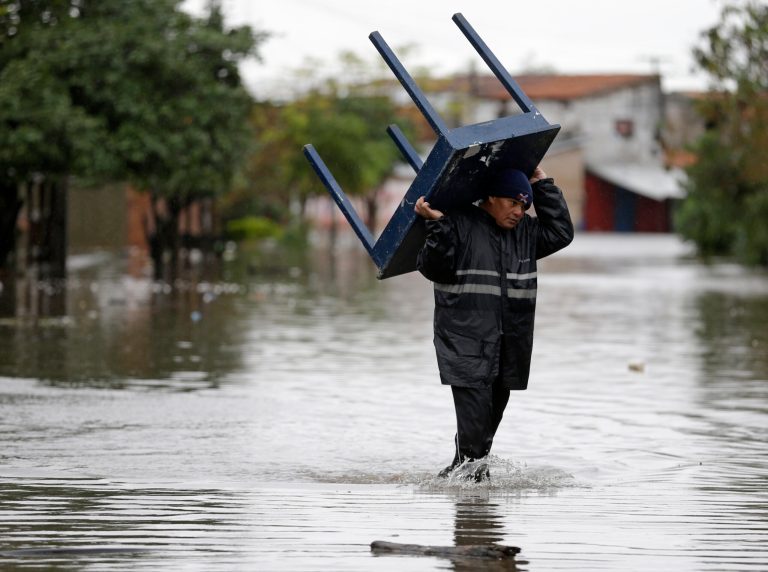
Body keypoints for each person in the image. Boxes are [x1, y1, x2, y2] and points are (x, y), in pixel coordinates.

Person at [414, 166, 573, 481]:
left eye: (524, 206)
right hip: (466, 346)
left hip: (509, 347)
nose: (518, 211)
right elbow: (433, 268)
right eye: (513, 202)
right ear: (489, 197)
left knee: (480, 441)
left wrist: (543, 185)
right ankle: (473, 510)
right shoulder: (457, 223)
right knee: (476, 445)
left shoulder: (527, 234)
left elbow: (561, 233)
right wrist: (437, 226)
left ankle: (462, 495)